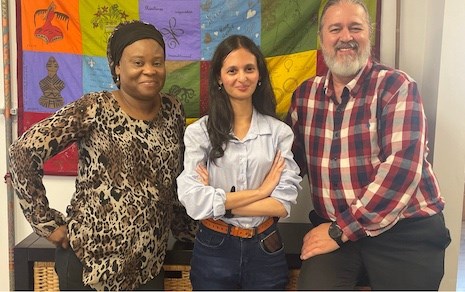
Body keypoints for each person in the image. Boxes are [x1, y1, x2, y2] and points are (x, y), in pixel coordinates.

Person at [9, 20, 197, 291]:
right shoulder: (94, 107)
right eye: (138, 62)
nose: (150, 70)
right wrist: (46, 223)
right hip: (90, 263)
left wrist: (186, 232)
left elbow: (174, 178)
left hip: (148, 264)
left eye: (157, 62)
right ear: (118, 67)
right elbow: (23, 152)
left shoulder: (173, 109)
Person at [286, 0, 451, 290]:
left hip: (404, 230)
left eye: (355, 28)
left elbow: (401, 170)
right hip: (337, 231)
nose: (345, 37)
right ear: (322, 39)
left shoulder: (397, 87)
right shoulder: (304, 97)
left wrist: (341, 230)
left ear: (369, 36)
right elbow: (288, 164)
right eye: (335, 29)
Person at [177, 35, 302, 290]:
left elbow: (282, 204)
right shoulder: (199, 133)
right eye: (232, 70)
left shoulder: (280, 133)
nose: (241, 78)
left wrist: (218, 201)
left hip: (265, 248)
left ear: (259, 76)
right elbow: (192, 201)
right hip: (214, 249)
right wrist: (261, 192)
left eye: (249, 69)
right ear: (218, 78)